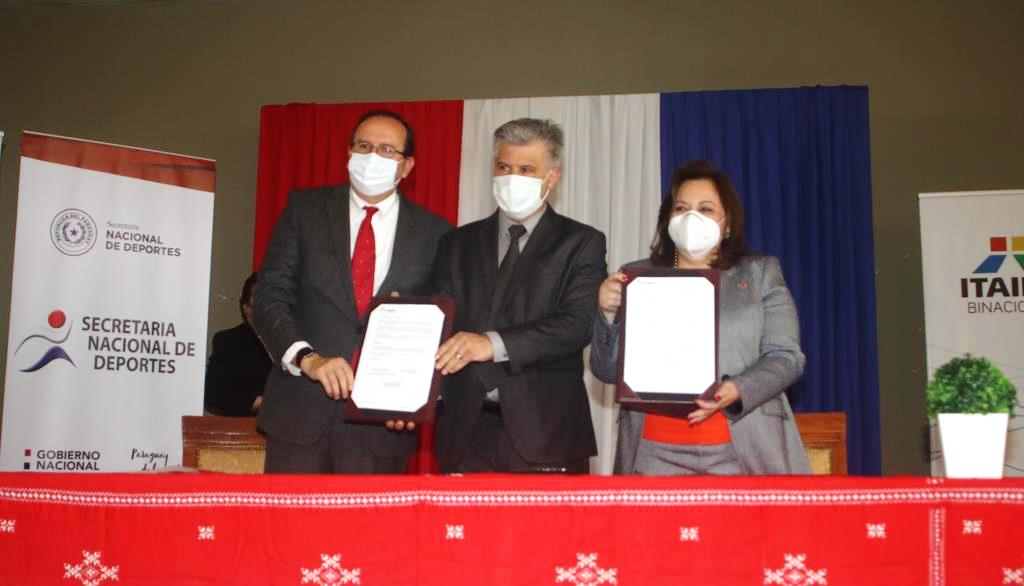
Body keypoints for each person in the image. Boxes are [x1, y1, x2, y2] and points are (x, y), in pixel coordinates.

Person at [253, 109, 452, 474]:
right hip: (300, 413)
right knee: (292, 532)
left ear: (407, 166)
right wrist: (307, 358)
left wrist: (414, 400)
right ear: (349, 153)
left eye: (387, 150)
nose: (373, 157)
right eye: (364, 146)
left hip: (382, 426)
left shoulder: (437, 233)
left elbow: (439, 325)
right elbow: (269, 296)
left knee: (370, 533)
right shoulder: (305, 210)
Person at [589, 160, 810, 475]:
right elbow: (606, 371)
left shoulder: (760, 273)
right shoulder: (635, 278)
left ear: (728, 223)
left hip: (741, 447)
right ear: (668, 219)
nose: (691, 217)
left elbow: (787, 357)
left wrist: (737, 389)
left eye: (705, 209)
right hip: (652, 452)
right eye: (681, 208)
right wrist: (608, 313)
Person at [431, 117, 607, 474]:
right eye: (504, 167)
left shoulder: (582, 243)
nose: (513, 177)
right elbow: (436, 323)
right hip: (465, 432)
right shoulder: (455, 244)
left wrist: (491, 344)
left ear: (552, 177)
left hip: (547, 434)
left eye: (527, 169)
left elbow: (577, 324)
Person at [203, 273, 272, 416]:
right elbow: (214, 393)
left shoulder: (297, 343)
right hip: (246, 429)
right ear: (246, 307)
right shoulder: (229, 341)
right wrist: (264, 402)